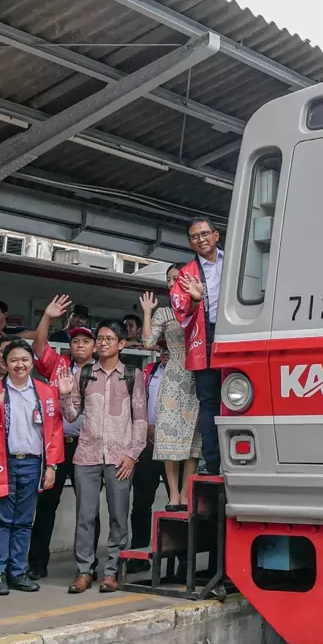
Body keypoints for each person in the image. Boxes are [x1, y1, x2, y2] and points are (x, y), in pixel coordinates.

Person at [60, 320, 146, 594]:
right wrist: (64, 396)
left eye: (110, 338)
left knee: (119, 516)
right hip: (87, 455)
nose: (103, 343)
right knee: (85, 516)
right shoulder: (84, 374)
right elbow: (72, 415)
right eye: (101, 338)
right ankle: (84, 570)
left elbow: (141, 420)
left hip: (120, 457)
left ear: (122, 344)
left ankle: (112, 571)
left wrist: (132, 455)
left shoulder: (133, 375)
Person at [0, 340, 64, 594]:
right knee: (0, 519)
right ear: (4, 362)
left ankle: (18, 572)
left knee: (24, 521)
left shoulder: (44, 392)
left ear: (31, 362)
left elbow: (55, 431)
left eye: (24, 359)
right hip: (5, 462)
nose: (19, 365)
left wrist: (52, 467)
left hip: (34, 463)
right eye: (13, 360)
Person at [29, 295, 99, 581]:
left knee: (88, 509)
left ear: (95, 347)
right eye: (75, 341)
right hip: (58, 447)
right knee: (46, 507)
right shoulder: (59, 366)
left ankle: (88, 567)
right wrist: (47, 317)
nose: (79, 345)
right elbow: (39, 346)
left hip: (89, 447)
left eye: (85, 341)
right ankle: (36, 564)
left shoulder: (101, 372)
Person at [140, 269, 200, 510]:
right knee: (168, 436)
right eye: (169, 280)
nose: (173, 283)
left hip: (197, 374)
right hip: (173, 375)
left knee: (194, 440)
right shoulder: (165, 312)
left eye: (176, 278)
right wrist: (147, 313)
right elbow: (147, 342)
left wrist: (197, 299)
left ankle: (186, 493)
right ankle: (173, 494)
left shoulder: (200, 308)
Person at [170, 219, 223, 474]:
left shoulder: (236, 261)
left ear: (216, 235)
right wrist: (195, 299)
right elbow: (183, 314)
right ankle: (214, 462)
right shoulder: (186, 273)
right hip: (208, 336)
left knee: (242, 396)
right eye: (194, 237)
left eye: (204, 234)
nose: (200, 239)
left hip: (239, 330)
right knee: (210, 401)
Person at [129, 345, 169, 555]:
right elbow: (136, 403)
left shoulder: (187, 371)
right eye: (162, 346)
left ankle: (181, 560)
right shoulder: (149, 371)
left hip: (174, 448)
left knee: (177, 504)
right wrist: (145, 429)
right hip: (147, 445)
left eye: (170, 346)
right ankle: (138, 553)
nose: (165, 350)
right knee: (141, 504)